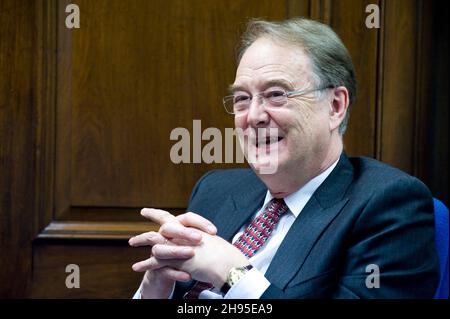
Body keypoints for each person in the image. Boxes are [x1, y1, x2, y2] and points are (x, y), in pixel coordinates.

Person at [129, 17, 439, 299]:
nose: (253, 116)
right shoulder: (215, 191)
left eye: (276, 94)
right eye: (241, 99)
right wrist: (154, 289)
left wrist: (233, 274)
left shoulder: (389, 204)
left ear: (335, 106)